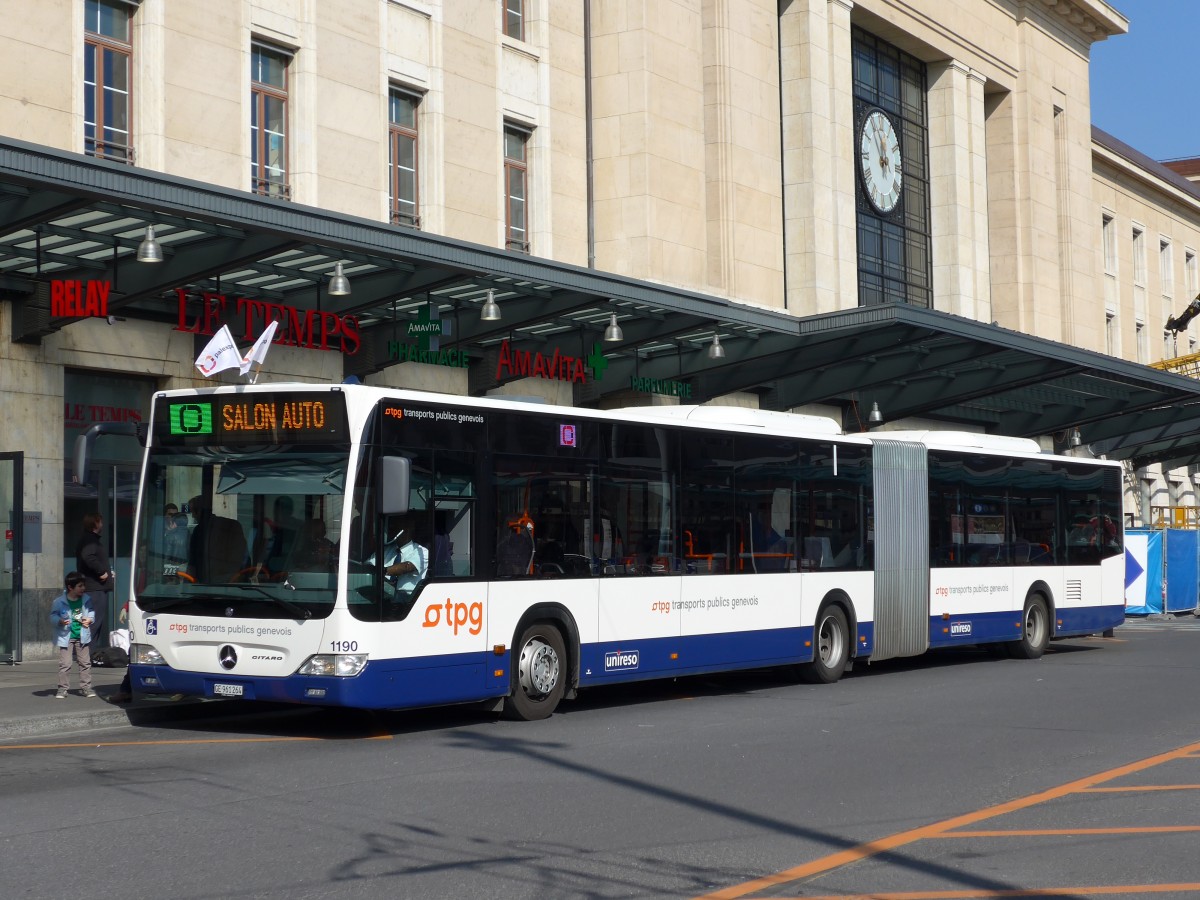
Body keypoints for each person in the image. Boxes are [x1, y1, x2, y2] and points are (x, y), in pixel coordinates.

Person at [50, 572, 96, 699]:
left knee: (85, 662)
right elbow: (53, 615)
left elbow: (91, 612)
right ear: (70, 587)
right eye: (80, 586)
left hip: (82, 635)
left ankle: (86, 687)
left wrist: (90, 620)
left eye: (83, 585)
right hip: (66, 637)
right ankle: (62, 689)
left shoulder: (86, 599)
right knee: (65, 663)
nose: (83, 588)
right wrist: (59, 621)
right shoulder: (59, 602)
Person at [75, 511, 113, 652]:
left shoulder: (88, 539)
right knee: (93, 621)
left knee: (93, 621)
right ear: (95, 523)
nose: (102, 524)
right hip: (94, 588)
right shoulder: (90, 540)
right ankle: (85, 651)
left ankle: (87, 652)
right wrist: (102, 572)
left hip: (93, 586)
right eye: (100, 522)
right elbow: (88, 556)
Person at [379, 512, 428, 594]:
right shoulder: (387, 550)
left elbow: (408, 566)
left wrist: (381, 571)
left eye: (396, 527)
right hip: (383, 597)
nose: (392, 529)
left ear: (407, 529)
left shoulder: (422, 552)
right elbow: (370, 563)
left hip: (407, 600)